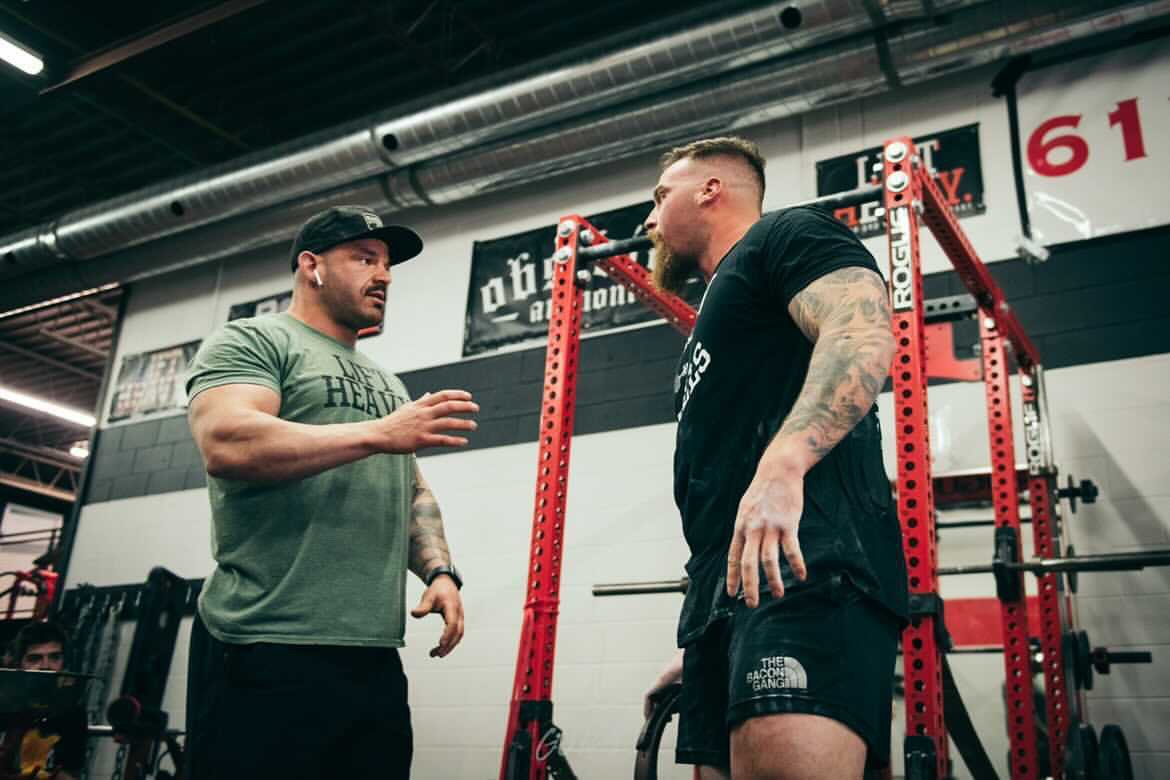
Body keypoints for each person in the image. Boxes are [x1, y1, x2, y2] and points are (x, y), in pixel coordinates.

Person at [642, 138, 909, 780]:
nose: (648, 221)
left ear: (710, 190)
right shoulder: (714, 313)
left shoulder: (783, 237)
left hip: (807, 559)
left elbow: (861, 329)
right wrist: (718, 628)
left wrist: (785, 462)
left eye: (659, 197)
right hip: (730, 595)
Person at [184, 205, 479, 779]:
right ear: (311, 266)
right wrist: (378, 432)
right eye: (365, 258)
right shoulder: (254, 340)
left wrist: (439, 572)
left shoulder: (387, 382)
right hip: (266, 642)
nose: (384, 276)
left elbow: (409, 487)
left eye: (388, 264)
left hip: (370, 652)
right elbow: (227, 443)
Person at [1, 621, 85, 780]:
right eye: (35, 658)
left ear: (64, 662)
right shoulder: (4, 704)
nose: (46, 666)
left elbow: (70, 769)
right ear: (19, 664)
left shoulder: (72, 712)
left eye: (55, 657)